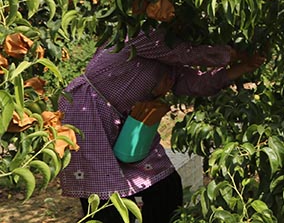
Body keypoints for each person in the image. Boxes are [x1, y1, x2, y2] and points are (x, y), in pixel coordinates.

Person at [58, 28, 265, 223]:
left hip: (127, 122)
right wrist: (236, 54)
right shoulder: (144, 34)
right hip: (87, 112)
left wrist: (243, 67)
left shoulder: (169, 60)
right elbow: (189, 54)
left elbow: (197, 83)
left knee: (165, 187)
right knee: (105, 198)